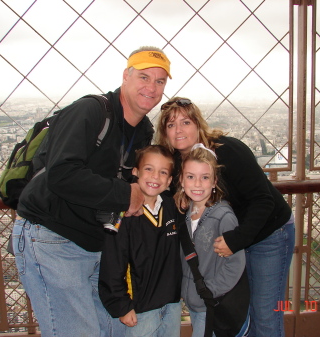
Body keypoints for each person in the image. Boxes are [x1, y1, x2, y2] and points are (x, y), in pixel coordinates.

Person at [11, 46, 172, 337]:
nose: (151, 87)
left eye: (160, 81)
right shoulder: (91, 111)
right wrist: (126, 195)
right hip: (53, 237)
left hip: (98, 244)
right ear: (126, 76)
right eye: (144, 77)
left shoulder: (143, 130)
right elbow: (62, 174)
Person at [156, 98, 295, 337]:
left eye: (185, 122)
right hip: (230, 242)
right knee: (240, 315)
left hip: (269, 234)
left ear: (198, 124)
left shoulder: (228, 151)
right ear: (164, 133)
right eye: (170, 125)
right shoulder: (177, 166)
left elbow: (264, 200)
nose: (178, 130)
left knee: (264, 315)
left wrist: (236, 240)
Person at [99, 145, 182, 337]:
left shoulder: (171, 206)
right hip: (140, 309)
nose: (155, 177)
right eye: (149, 169)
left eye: (163, 172)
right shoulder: (123, 212)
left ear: (169, 180)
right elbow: (113, 262)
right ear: (135, 171)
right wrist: (120, 304)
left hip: (172, 302)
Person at [175, 144, 250, 337]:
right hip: (197, 300)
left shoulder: (223, 217)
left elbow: (235, 263)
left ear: (215, 181)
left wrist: (210, 291)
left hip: (211, 304)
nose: (198, 184)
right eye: (191, 177)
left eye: (205, 177)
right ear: (182, 180)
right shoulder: (185, 212)